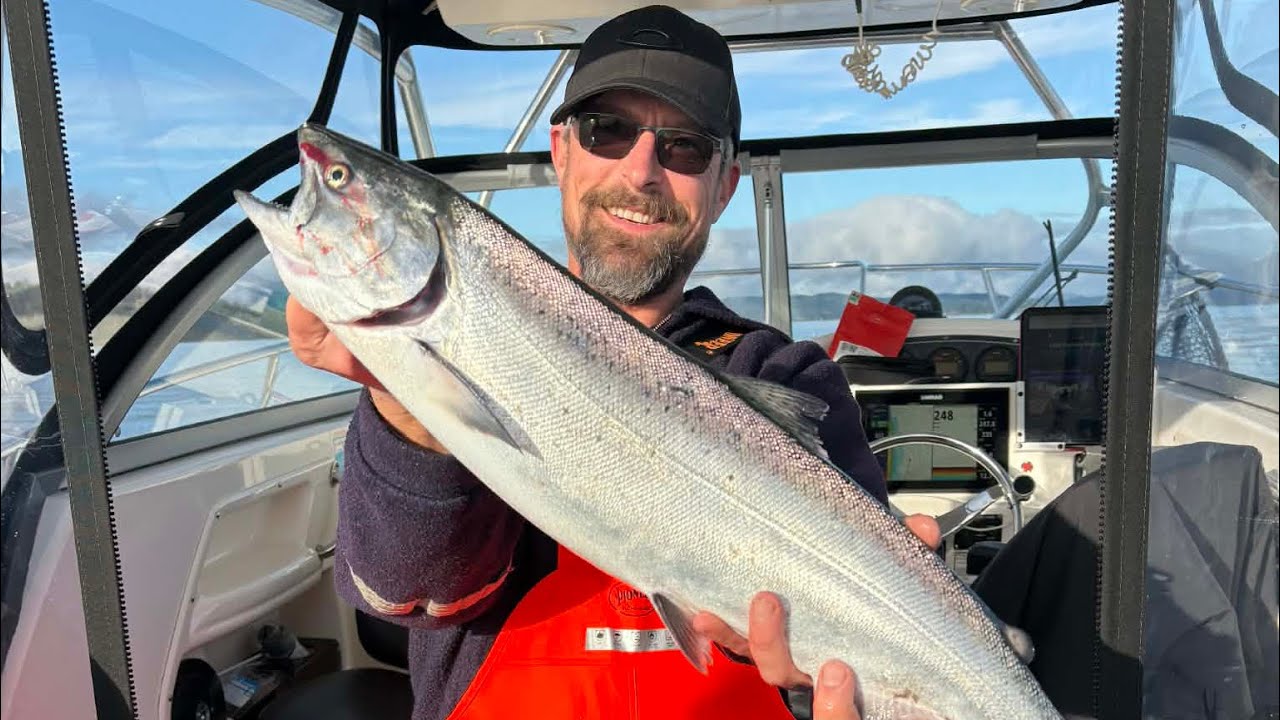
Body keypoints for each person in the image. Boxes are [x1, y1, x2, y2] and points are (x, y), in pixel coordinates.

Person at [286, 5, 940, 718]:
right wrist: (406, 401)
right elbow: (407, 593)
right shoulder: (453, 346)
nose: (641, 171)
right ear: (560, 151)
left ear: (724, 185)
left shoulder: (786, 374)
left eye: (685, 148)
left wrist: (816, 687)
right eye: (609, 131)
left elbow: (871, 667)